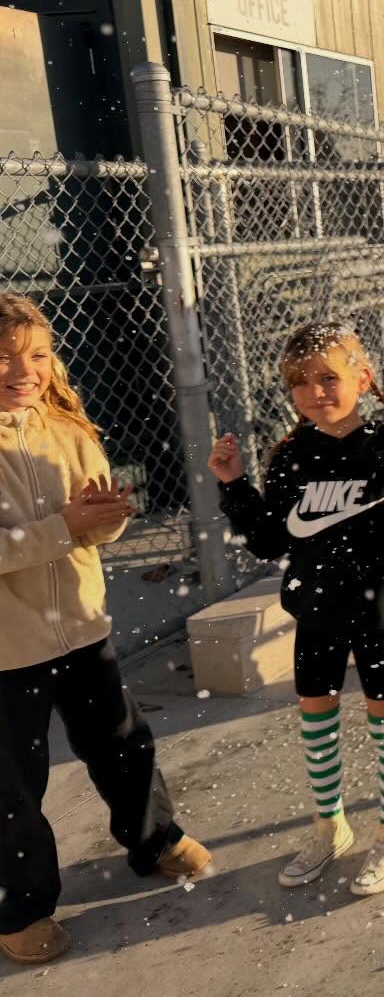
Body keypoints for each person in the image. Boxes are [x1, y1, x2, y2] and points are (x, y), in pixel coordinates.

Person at [208, 322, 384, 896]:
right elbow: (271, 540)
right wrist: (235, 485)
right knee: (315, 724)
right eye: (301, 382)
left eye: (329, 378)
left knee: (383, 724)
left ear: (362, 378)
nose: (316, 391)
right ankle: (331, 825)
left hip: (379, 613)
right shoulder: (293, 455)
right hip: (317, 613)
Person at [0, 294, 212, 966]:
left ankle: (155, 838)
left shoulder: (68, 426)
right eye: (4, 356)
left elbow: (98, 523)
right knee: (11, 787)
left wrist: (105, 515)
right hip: (8, 650)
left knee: (123, 743)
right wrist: (66, 526)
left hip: (83, 627)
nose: (23, 369)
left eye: (36, 354)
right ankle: (22, 905)